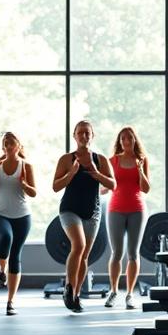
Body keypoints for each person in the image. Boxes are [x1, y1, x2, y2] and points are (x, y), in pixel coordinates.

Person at [52, 120, 115, 313]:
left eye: (87, 133)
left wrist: (96, 174)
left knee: (85, 255)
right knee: (77, 246)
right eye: (80, 133)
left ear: (92, 136)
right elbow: (55, 186)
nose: (84, 136)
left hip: (92, 211)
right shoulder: (66, 159)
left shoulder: (100, 159)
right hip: (69, 209)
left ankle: (76, 295)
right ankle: (69, 288)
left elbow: (113, 185)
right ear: (74, 136)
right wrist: (71, 173)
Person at [0, 132, 35, 316]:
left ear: (19, 146)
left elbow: (33, 193)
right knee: (6, 237)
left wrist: (24, 184)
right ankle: (0, 269)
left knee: (16, 257)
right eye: (5, 144)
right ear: (3, 147)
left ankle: (10, 301)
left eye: (12, 144)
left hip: (22, 217)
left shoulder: (26, 166)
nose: (8, 147)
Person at [103, 126, 150, 309]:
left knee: (133, 253)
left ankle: (130, 294)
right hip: (115, 209)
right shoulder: (112, 161)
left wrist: (140, 170)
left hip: (137, 210)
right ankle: (114, 291)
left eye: (129, 138)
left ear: (134, 140)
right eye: (123, 139)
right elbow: (106, 186)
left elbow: (145, 188)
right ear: (119, 141)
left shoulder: (142, 160)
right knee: (116, 253)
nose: (126, 141)